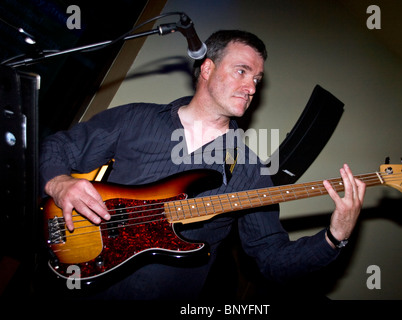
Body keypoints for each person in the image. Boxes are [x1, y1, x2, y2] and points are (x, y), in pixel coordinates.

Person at [39, 30, 366, 300]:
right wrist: (59, 182)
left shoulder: (250, 170)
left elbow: (271, 258)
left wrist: (335, 237)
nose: (251, 87)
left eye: (257, 79)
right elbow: (60, 146)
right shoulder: (135, 117)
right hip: (77, 277)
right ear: (207, 68)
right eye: (242, 71)